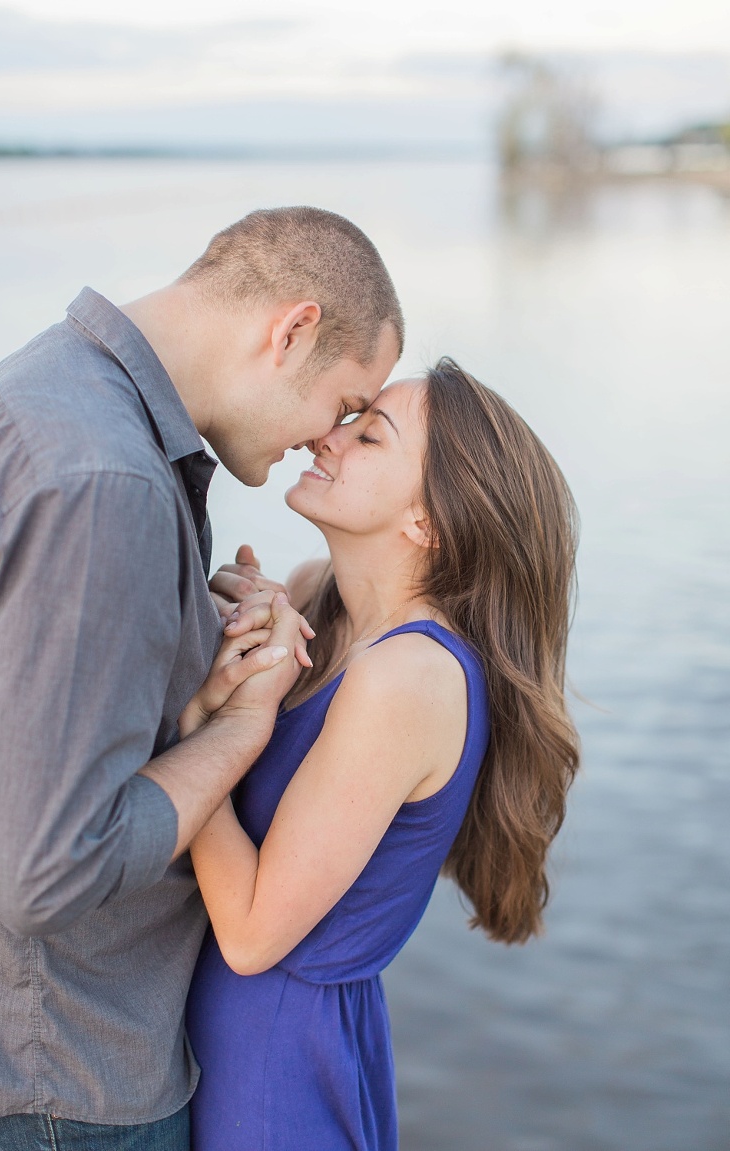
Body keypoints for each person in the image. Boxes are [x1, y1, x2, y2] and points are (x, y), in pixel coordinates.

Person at [0, 207, 402, 1150]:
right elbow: (43, 870)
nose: (328, 437)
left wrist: (187, 629)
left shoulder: (47, 389)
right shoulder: (103, 480)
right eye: (348, 404)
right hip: (62, 1082)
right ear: (291, 331)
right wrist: (239, 731)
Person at [184, 359, 581, 1151]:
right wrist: (225, 619)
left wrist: (201, 730)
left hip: (270, 1066)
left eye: (368, 435)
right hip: (215, 1034)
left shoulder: (411, 676)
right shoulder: (316, 600)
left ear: (427, 521)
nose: (325, 437)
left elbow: (254, 931)